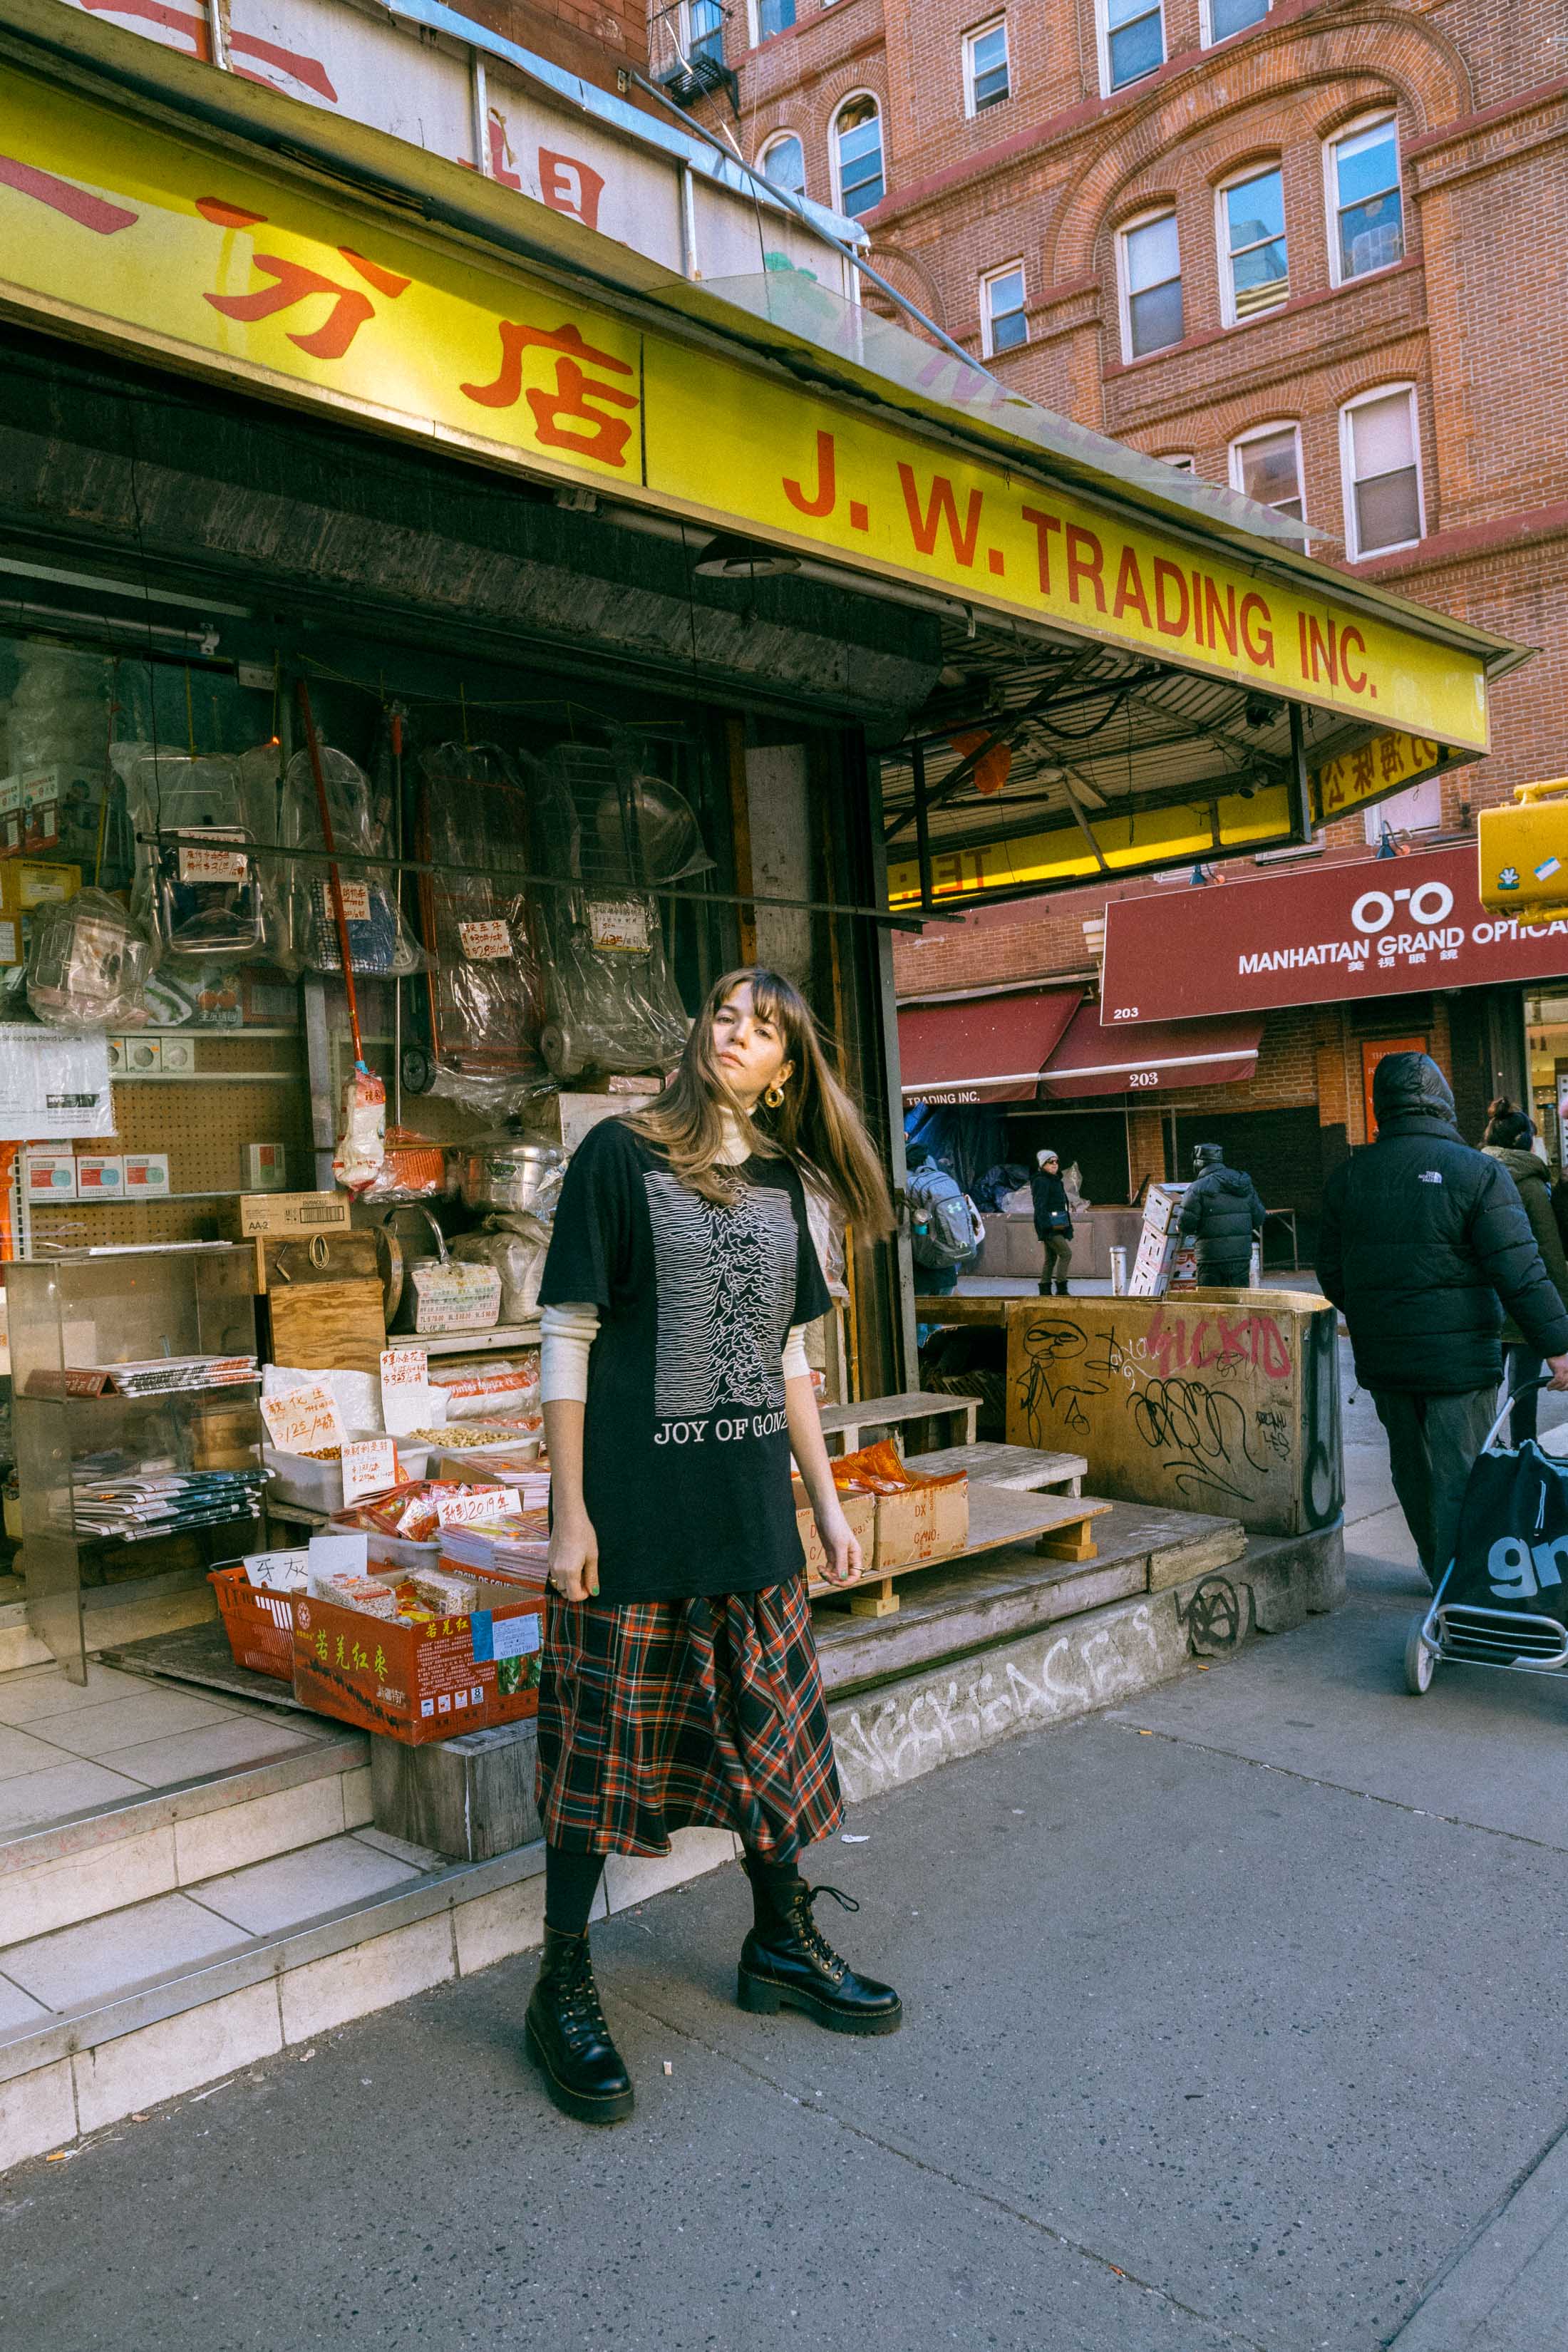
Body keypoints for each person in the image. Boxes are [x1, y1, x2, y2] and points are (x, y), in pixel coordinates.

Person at [530, 966, 903, 2127]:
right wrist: (570, 1510)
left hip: (749, 1518)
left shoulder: (789, 1185)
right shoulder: (617, 1155)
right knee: (600, 1761)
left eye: (762, 1028)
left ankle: (780, 1943)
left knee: (769, 1746)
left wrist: (829, 1504)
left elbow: (792, 1362)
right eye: (724, 1015)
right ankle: (561, 1986)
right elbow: (567, 1333)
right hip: (635, 1514)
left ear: (787, 1068)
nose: (734, 1034)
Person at [1315, 1051, 1568, 1591]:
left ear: (1382, 1106)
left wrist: (1372, 1312)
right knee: (1462, 1477)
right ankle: (1463, 1591)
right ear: (1443, 1102)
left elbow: (1331, 1272)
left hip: (1386, 1360)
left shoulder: (1349, 1177)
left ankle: (1440, 1575)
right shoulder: (1478, 1173)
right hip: (1459, 1364)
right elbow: (1521, 1269)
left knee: (1411, 1474)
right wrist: (1558, 1344)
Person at [1480, 1099, 1568, 1444]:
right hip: (1525, 1304)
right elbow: (1548, 1250)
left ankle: (1486, 1448)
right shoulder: (1531, 1185)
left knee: (1485, 1387)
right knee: (1522, 1391)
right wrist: (1559, 1312)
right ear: (1525, 1142)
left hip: (1485, 1301)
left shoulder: (1479, 1175)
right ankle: (1522, 1453)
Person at [1177, 1142, 1265, 1287]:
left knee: (1212, 1305)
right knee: (1239, 1302)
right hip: (1241, 1257)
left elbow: (1186, 1224)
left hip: (1211, 1259)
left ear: (1198, 1163)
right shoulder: (1243, 1183)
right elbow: (1259, 1217)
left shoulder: (1197, 1188)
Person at [904, 1142, 981, 1301]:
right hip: (949, 1261)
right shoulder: (943, 1174)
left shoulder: (906, 1181)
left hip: (923, 1263)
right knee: (939, 1314)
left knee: (921, 1316)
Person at [1031, 1147, 1075, 1296]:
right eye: (1050, 1162)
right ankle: (1062, 1290)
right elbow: (1039, 1207)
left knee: (1051, 1258)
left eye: (1056, 1161)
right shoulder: (1041, 1181)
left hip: (1058, 1224)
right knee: (1066, 1254)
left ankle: (1045, 1290)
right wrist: (1046, 1227)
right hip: (1050, 1227)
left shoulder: (1056, 1180)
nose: (1055, 1164)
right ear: (1043, 1165)